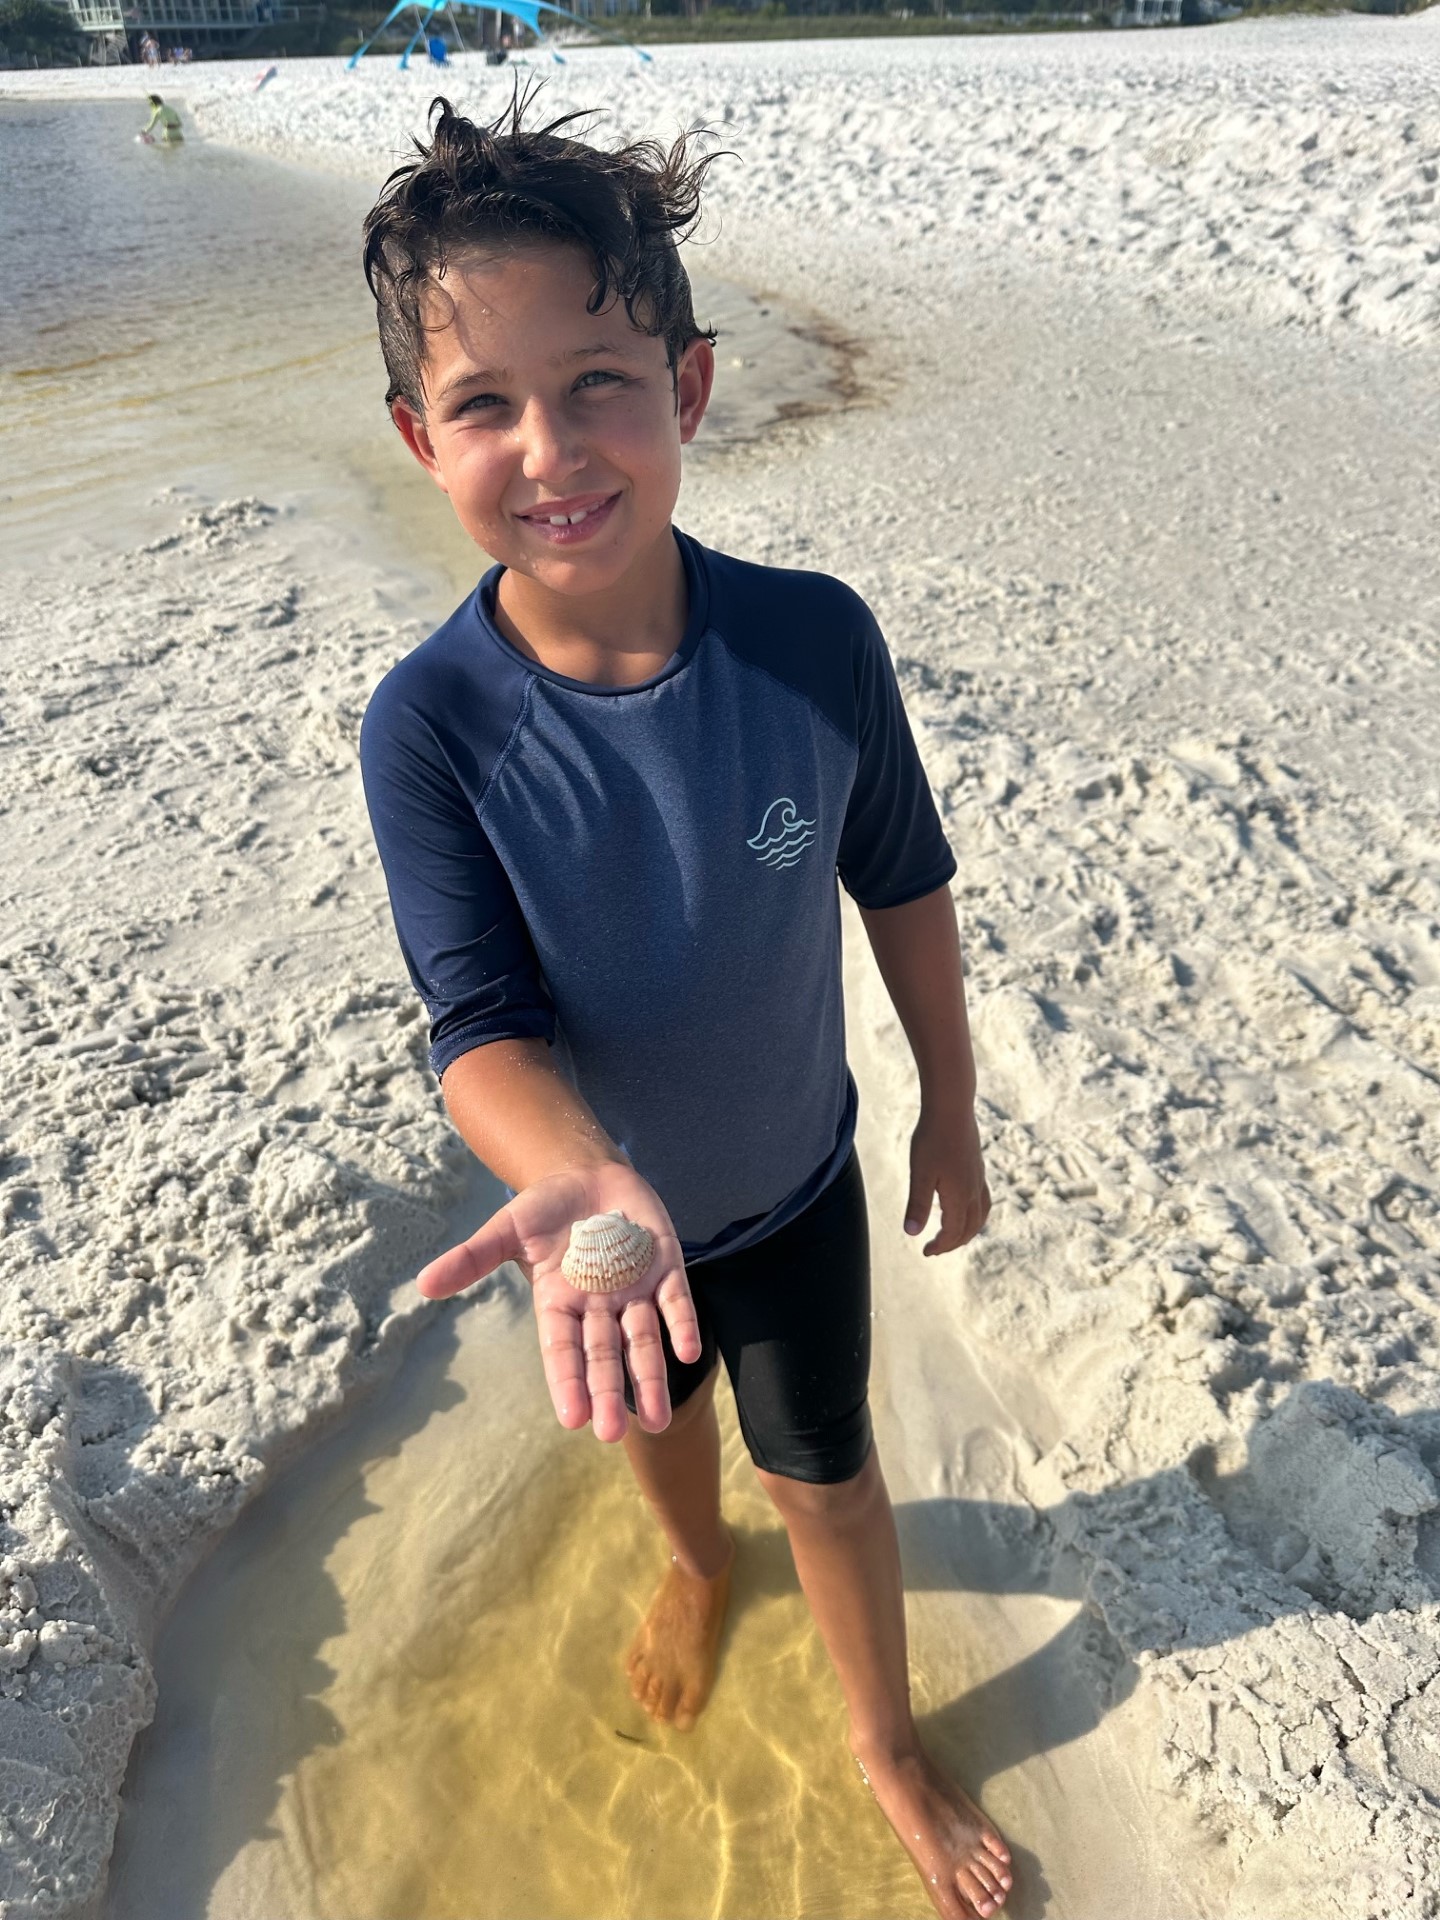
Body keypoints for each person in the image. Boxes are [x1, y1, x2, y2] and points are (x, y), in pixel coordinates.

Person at [357, 84, 1015, 1920]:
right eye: (484, 403)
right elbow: (472, 1018)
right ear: (420, 437)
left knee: (833, 1474)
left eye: (598, 384)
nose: (550, 448)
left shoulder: (812, 642)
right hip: (608, 1233)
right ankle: (689, 1565)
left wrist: (947, 1100)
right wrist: (577, 1175)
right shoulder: (434, 729)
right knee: (659, 1431)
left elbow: (902, 878)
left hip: (796, 1189)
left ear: (693, 390)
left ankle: (882, 1737)